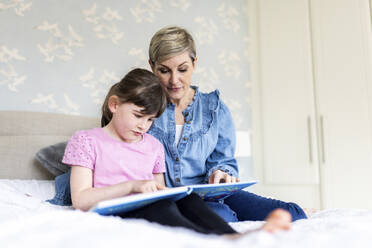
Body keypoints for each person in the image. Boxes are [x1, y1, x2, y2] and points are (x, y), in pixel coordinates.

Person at [61, 68, 292, 237]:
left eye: (151, 119)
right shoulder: (86, 140)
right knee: (160, 207)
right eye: (138, 115)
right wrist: (131, 186)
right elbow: (80, 200)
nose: (143, 125)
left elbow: (160, 191)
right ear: (114, 105)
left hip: (149, 204)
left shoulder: (152, 145)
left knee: (187, 200)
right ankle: (214, 240)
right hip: (111, 210)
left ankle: (233, 236)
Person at [147, 26, 307, 222]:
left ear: (194, 64)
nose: (174, 80)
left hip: (210, 194)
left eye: (182, 69)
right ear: (152, 67)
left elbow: (223, 160)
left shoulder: (213, 108)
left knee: (294, 214)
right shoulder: (142, 110)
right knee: (222, 217)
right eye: (164, 71)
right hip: (167, 200)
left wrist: (222, 173)